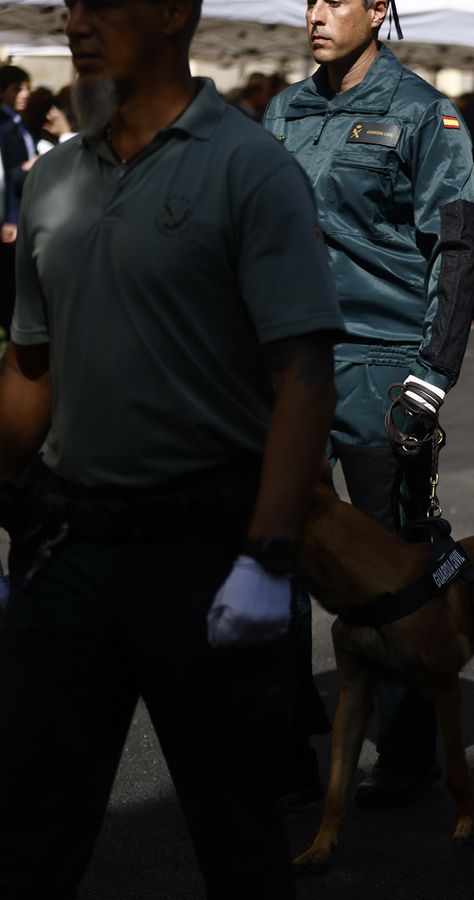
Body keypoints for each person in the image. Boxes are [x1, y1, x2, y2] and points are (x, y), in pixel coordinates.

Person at [0, 0, 344, 893]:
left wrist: (270, 555)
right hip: (68, 552)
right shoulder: (52, 181)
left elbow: (304, 376)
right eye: (67, 5)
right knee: (27, 828)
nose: (75, 22)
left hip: (204, 555)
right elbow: (29, 368)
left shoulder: (251, 170)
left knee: (235, 833)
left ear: (170, 13)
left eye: (99, 4)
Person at [262, 0, 474, 806]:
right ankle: (285, 741)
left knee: (392, 559)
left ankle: (406, 748)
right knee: (274, 549)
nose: (316, 15)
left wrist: (434, 369)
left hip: (379, 362)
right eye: (309, 1)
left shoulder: (425, 114)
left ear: (379, 10)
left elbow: (456, 248)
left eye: (336, 0)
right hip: (287, 362)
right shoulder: (285, 108)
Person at [0, 65, 34, 343]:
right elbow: (7, 177)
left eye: (25, 88)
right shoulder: (5, 126)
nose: (24, 94)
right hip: (13, 212)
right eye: (17, 89)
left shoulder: (16, 122)